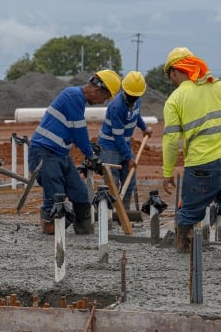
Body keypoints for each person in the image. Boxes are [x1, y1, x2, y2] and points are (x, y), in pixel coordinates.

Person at [161, 47, 221, 260]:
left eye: (170, 76)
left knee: (189, 212)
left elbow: (171, 140)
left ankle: (184, 251)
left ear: (175, 71)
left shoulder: (175, 99)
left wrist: (167, 172)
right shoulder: (220, 86)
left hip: (200, 163)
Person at [28, 69, 121, 235]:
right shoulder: (73, 96)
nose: (102, 102)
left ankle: (83, 232)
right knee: (56, 197)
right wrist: (90, 155)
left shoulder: (77, 100)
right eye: (104, 98)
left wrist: (89, 149)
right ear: (98, 90)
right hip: (43, 153)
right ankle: (50, 233)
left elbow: (73, 131)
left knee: (81, 195)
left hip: (60, 154)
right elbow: (80, 131)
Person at [98, 71, 152, 212]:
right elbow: (118, 136)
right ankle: (108, 215)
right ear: (125, 91)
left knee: (130, 180)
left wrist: (144, 128)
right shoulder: (117, 106)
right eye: (131, 95)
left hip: (124, 144)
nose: (133, 98)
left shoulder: (136, 101)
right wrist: (128, 157)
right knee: (112, 183)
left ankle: (124, 212)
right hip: (109, 147)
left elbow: (136, 115)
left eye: (136, 96)